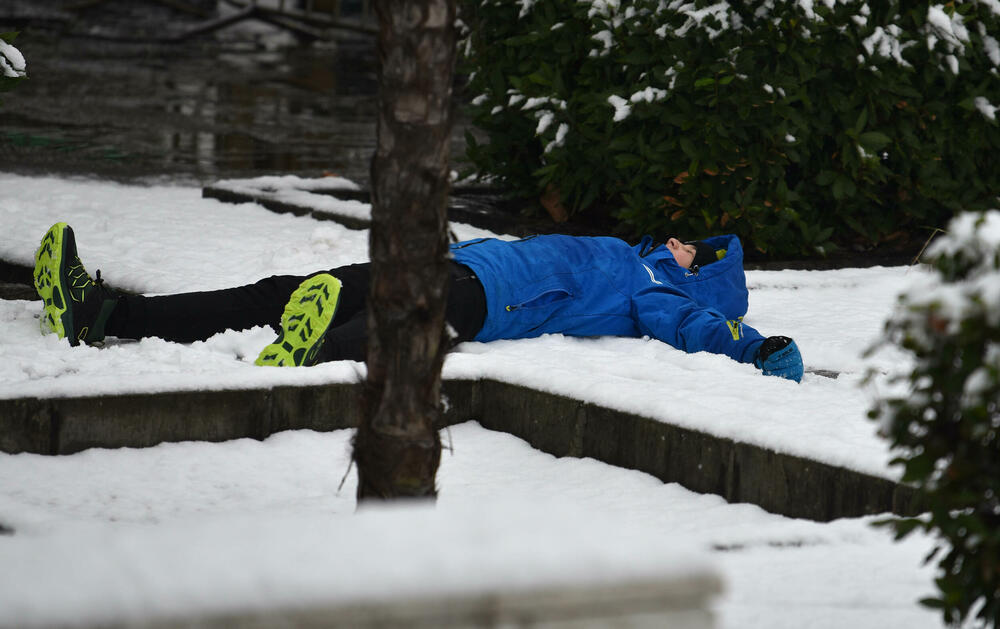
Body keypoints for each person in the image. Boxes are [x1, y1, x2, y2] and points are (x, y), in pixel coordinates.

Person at [32, 222, 804, 382]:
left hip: (489, 297)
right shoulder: (625, 255)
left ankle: (318, 349)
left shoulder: (654, 291)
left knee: (406, 320)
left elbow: (703, 326)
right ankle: (105, 315)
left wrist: (756, 346)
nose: (678, 242)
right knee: (281, 292)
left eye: (693, 252)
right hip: (455, 264)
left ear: (697, 274)